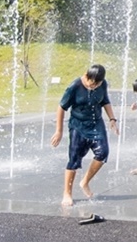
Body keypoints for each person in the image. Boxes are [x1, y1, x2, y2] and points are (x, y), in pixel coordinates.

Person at [51, 64, 119, 204]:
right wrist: (59, 131)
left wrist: (112, 119)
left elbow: (105, 101)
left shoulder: (102, 84)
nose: (92, 86)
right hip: (78, 126)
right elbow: (61, 107)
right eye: (90, 83)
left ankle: (85, 182)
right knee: (74, 159)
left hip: (96, 124)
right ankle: (67, 193)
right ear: (87, 76)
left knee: (103, 153)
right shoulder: (75, 86)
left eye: (96, 84)